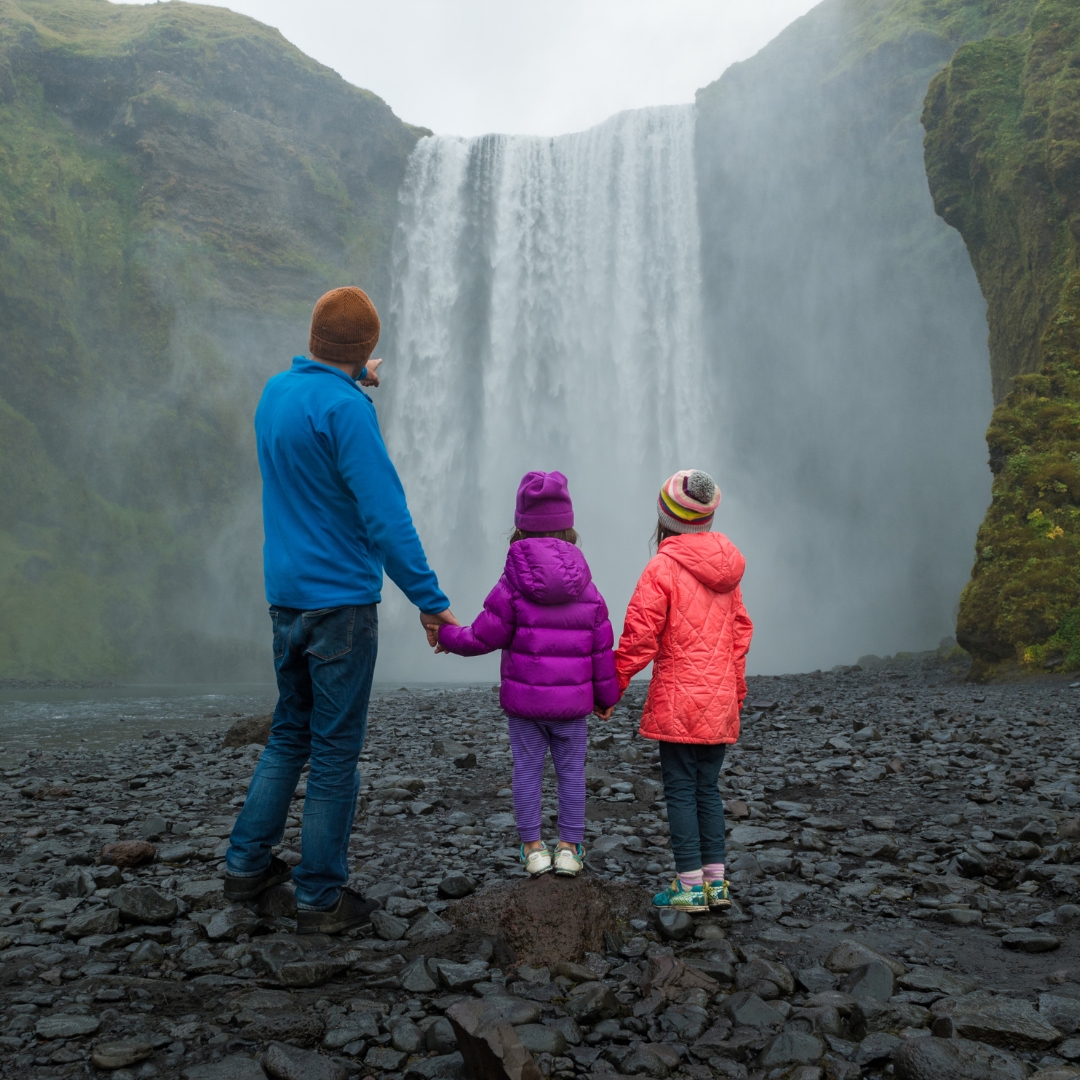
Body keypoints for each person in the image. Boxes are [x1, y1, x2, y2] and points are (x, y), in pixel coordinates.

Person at [225, 286, 458, 934]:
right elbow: (385, 517)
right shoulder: (348, 410)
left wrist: (354, 376)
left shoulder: (278, 393)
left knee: (288, 735)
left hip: (286, 597)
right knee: (333, 753)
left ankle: (244, 867)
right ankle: (320, 897)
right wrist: (430, 602)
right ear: (363, 352)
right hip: (340, 606)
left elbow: (318, 417)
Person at [434, 471, 620, 877]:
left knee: (527, 770)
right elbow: (601, 646)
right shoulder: (588, 588)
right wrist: (606, 697)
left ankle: (534, 849)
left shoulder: (512, 584)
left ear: (519, 527)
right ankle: (569, 849)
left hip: (525, 707)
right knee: (571, 773)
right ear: (570, 528)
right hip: (572, 708)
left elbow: (483, 636)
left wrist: (446, 636)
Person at [614, 470, 752, 912]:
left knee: (679, 789)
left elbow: (639, 638)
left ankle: (689, 885)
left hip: (678, 703)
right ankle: (717, 884)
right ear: (707, 519)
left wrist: (611, 688)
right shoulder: (729, 572)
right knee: (708, 789)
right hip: (718, 700)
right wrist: (736, 694)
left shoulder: (662, 567)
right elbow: (739, 637)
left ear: (665, 519)